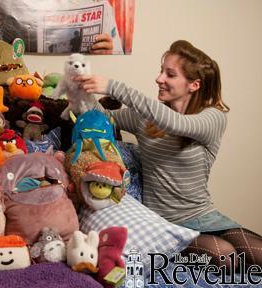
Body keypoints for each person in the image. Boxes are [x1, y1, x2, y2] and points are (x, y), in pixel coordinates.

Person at [74, 40, 262, 270]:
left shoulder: (213, 117)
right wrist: (80, 89)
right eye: (161, 70)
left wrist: (114, 86)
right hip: (166, 224)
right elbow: (102, 118)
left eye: (169, 74)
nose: (159, 78)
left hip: (206, 215)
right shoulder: (145, 118)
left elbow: (177, 124)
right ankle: (166, 257)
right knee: (226, 256)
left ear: (194, 85)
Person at [0, 0, 122, 54]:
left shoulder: (101, 6)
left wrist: (109, 51)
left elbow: (118, 53)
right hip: (23, 77)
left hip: (79, 81)